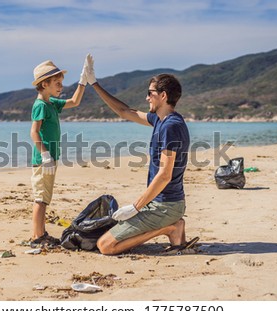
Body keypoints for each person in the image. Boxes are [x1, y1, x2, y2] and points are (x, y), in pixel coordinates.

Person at [83, 55, 196, 255]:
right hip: (163, 204)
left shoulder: (171, 126)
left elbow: (165, 175)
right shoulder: (160, 120)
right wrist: (94, 83)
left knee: (106, 246)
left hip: (166, 207)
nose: (146, 98)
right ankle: (170, 226)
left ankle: (170, 228)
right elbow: (124, 111)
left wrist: (135, 207)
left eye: (149, 93)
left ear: (163, 95)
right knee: (110, 233)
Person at [29, 56, 89, 247]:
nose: (61, 86)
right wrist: (45, 155)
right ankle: (36, 237)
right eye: (57, 83)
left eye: (61, 83)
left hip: (50, 159)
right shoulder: (40, 105)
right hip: (43, 160)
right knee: (40, 199)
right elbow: (34, 132)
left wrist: (83, 80)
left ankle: (41, 233)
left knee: (45, 198)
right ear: (44, 84)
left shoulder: (52, 103)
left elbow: (75, 101)